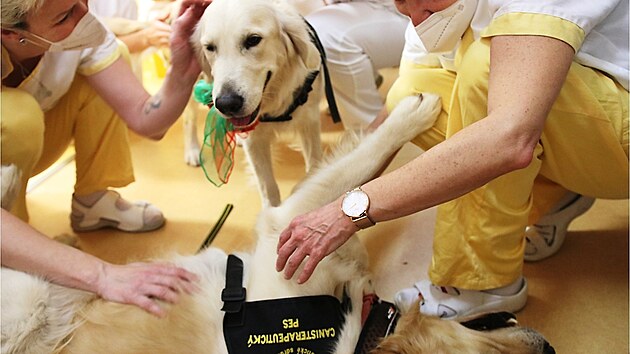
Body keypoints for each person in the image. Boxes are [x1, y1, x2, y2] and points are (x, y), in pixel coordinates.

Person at [276, 0, 628, 319]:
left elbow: (509, 136)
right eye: (401, 3)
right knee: (411, 94)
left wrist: (349, 211)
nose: (414, 15)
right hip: (592, 122)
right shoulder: (432, 7)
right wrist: (311, 206)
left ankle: (482, 284)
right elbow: (388, 124)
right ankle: (556, 192)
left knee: (486, 69)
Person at [1, 0, 211, 316]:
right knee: (17, 117)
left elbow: (146, 120)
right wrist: (101, 275)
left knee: (110, 59)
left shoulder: (79, 31)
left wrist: (182, 69)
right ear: (10, 34)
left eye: (82, 1)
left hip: (35, 140)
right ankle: (13, 247)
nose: (85, 15)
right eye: (64, 16)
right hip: (16, 134)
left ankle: (92, 203)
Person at [292, 0, 408, 130]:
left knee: (326, 38)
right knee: (297, 13)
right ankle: (365, 78)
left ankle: (372, 131)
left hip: (417, 15)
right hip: (378, 6)